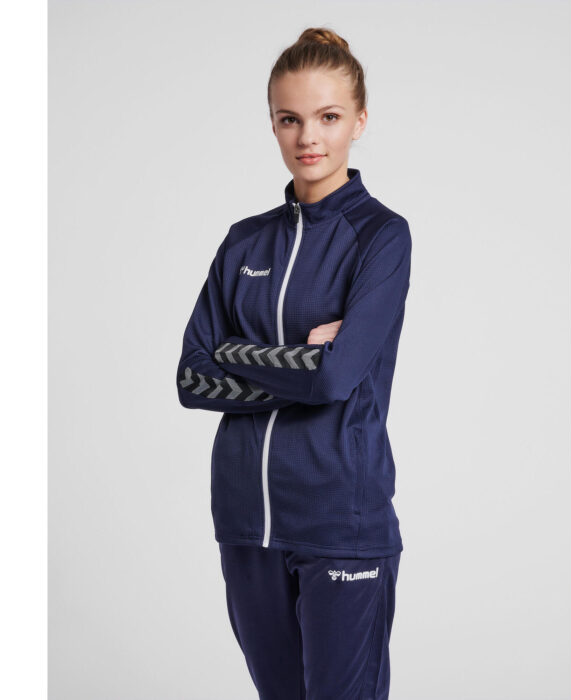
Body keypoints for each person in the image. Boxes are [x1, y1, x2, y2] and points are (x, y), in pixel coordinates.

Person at [176, 26, 411, 700]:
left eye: (328, 117)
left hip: (342, 522)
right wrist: (300, 360)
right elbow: (192, 376)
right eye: (290, 119)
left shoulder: (380, 236)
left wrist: (237, 353)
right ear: (274, 124)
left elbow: (337, 376)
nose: (308, 137)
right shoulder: (244, 242)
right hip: (246, 524)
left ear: (358, 120)